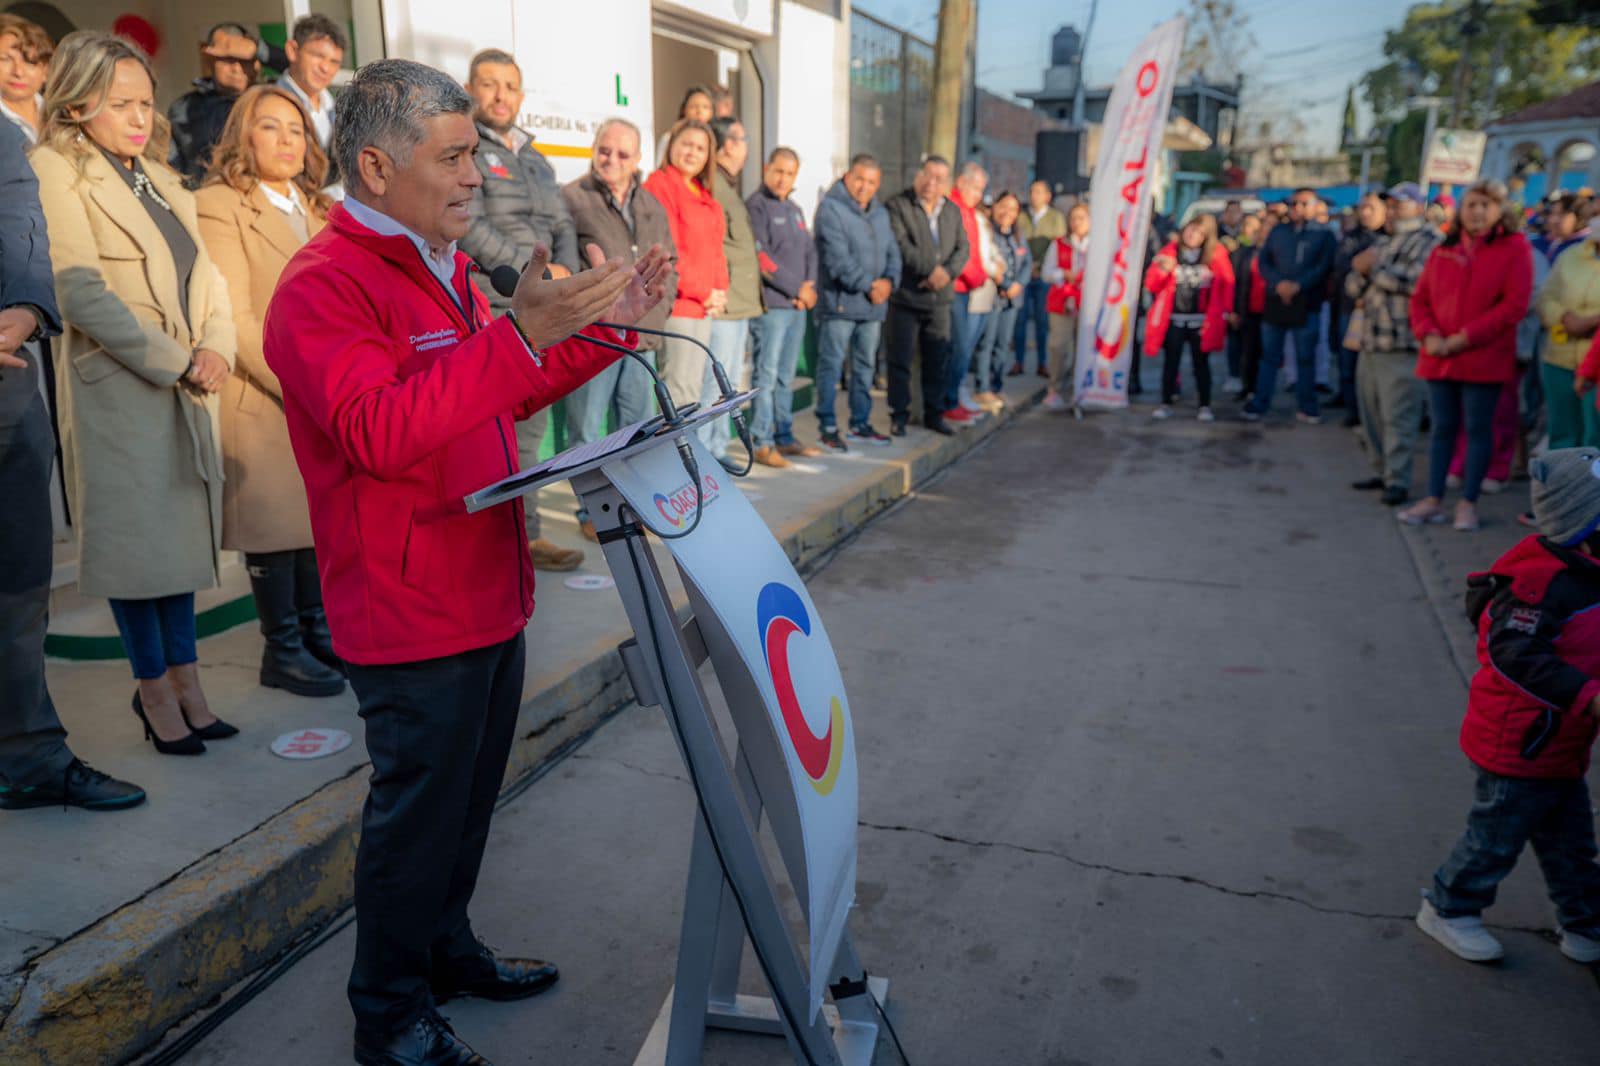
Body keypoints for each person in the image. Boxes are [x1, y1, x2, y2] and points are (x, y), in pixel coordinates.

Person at [261, 59, 671, 1066]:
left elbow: (501, 391)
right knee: (416, 819)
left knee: (465, 803)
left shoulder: (439, 267)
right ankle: (388, 1015)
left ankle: (444, 951)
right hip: (408, 608)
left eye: (472, 157)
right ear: (371, 165)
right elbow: (376, 429)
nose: (470, 179)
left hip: (485, 587)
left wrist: (607, 326)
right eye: (450, 159)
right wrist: (521, 335)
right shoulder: (324, 284)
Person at [32, 32, 240, 755]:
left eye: (145, 102)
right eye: (120, 103)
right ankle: (155, 690)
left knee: (177, 551)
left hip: (184, 382)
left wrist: (217, 346)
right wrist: (175, 359)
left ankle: (188, 683)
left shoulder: (160, 177)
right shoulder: (57, 166)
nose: (139, 117)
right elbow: (75, 287)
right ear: (78, 99)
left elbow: (208, 278)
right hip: (121, 386)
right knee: (135, 554)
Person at [0, 117, 146, 810]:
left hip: (6, 383)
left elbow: (22, 222)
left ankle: (29, 757)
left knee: (20, 586)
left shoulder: (2, 134)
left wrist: (27, 308)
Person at [1415, 446, 1600, 967]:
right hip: (1518, 741)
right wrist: (1589, 696)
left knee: (1570, 844)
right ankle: (1448, 906)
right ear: (1584, 524)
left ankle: (1585, 922)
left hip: (1560, 742)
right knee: (1495, 838)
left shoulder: (1587, 570)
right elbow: (1516, 653)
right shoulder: (1538, 583)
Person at [195, 84, 344, 698]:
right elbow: (236, 312)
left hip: (326, 388)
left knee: (314, 522)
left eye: (295, 129)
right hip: (269, 388)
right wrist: (305, 383)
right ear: (242, 135)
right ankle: (281, 649)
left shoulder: (317, 209)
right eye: (269, 127)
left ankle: (318, 633)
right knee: (274, 529)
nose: (285, 141)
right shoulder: (219, 204)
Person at [459, 48, 583, 572]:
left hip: (543, 309)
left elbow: (563, 226)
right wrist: (537, 275)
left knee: (529, 437)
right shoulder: (463, 150)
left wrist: (569, 279)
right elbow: (468, 224)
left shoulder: (535, 158)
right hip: (493, 308)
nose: (500, 95)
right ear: (471, 90)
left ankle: (526, 540)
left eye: (509, 86)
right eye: (489, 85)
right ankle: (492, 545)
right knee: (488, 437)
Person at [562, 117, 677, 537]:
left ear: (638, 160)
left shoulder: (651, 204)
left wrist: (660, 312)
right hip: (595, 335)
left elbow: (671, 263)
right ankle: (591, 514)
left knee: (636, 428)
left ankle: (633, 505)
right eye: (604, 150)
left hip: (641, 336)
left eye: (622, 154)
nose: (610, 159)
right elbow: (565, 265)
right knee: (587, 430)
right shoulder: (572, 197)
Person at [1400, 180, 1533, 533]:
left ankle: (1468, 502)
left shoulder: (1514, 248)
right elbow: (1421, 298)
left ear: (1500, 211)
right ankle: (1433, 498)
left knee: (1477, 430)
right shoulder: (1444, 248)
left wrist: (1463, 338)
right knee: (1442, 429)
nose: (1476, 212)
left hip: (1482, 357)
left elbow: (1513, 305)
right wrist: (1428, 334)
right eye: (1471, 204)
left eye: (1485, 205)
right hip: (1438, 356)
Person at [1346, 183, 1443, 507]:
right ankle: (1381, 470)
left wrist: (1372, 268)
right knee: (1370, 413)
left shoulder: (1430, 241)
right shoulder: (1384, 240)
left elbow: (1417, 282)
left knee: (1398, 416)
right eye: (1390, 204)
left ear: (1418, 206)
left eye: (1399, 203)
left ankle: (1398, 479)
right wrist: (1363, 272)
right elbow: (1353, 284)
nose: (1392, 209)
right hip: (1371, 341)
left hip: (1402, 345)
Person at [813, 153, 899, 450]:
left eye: (872, 182)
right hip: (840, 305)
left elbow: (892, 253)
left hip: (873, 306)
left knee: (865, 367)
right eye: (860, 179)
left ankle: (860, 423)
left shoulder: (881, 213)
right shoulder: (831, 209)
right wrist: (869, 285)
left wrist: (889, 282)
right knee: (832, 366)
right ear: (848, 176)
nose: (865, 186)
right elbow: (837, 259)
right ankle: (827, 424)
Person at [643, 119, 726, 421]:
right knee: (677, 398)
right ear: (672, 146)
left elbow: (717, 250)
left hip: (702, 309)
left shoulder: (704, 195)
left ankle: (688, 462)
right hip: (677, 307)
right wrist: (704, 291)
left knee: (693, 396)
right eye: (686, 144)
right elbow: (668, 249)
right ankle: (675, 464)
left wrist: (720, 290)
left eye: (700, 148)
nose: (692, 152)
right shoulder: (660, 185)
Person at [746, 146, 819, 465]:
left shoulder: (795, 209)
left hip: (797, 307)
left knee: (785, 376)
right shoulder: (756, 207)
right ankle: (761, 441)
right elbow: (761, 258)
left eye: (789, 174)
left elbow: (810, 252)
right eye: (778, 171)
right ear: (766, 169)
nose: (782, 178)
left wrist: (810, 287)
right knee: (766, 373)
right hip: (773, 306)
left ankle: (784, 436)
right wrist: (796, 288)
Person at [884, 155, 967, 437]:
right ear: (918, 175)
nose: (932, 183)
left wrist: (946, 273)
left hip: (939, 300)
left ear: (947, 183)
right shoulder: (897, 205)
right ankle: (899, 415)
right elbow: (900, 245)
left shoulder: (952, 211)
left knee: (937, 359)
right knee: (900, 360)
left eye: (939, 179)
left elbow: (962, 249)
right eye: (928, 176)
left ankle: (935, 413)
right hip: (906, 297)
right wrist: (932, 270)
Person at [708, 116, 772, 464]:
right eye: (743, 138)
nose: (745, 145)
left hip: (739, 304)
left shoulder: (727, 185)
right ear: (729, 144)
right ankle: (707, 454)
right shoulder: (715, 185)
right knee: (714, 386)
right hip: (725, 304)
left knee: (727, 384)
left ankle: (717, 451)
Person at [1243, 188, 1335, 423]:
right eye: (1294, 204)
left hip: (1306, 303)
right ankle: (1260, 403)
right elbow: (1264, 262)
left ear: (1315, 206)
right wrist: (1279, 284)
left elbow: (1323, 267)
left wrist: (1298, 286)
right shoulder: (1278, 231)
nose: (1298, 208)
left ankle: (1307, 405)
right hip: (1276, 301)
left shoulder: (1324, 234)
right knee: (1269, 357)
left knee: (1305, 357)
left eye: (1304, 204)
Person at [1142, 213, 1234, 422]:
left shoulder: (1216, 255)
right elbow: (1151, 284)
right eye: (1190, 229)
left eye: (1200, 233)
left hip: (1201, 321)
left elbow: (1227, 284)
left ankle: (1204, 405)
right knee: (1170, 363)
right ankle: (1165, 402)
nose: (1193, 235)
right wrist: (1164, 271)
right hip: (1174, 319)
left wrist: (1227, 311)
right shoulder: (1169, 252)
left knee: (1201, 364)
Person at [167, 22, 261, 185]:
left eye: (244, 59)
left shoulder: (268, 102)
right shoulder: (183, 108)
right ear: (209, 59)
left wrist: (260, 49)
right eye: (227, 59)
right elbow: (171, 168)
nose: (237, 68)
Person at [1538, 220, 1600, 449]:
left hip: (1596, 367)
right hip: (1559, 358)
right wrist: (1565, 318)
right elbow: (1545, 298)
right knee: (1561, 436)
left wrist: (1592, 321)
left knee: (1593, 443)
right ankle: (1560, 485)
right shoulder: (1571, 256)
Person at [1328, 191, 1387, 421]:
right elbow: (1342, 267)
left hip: (1381, 314)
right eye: (1363, 208)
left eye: (1371, 208)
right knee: (1348, 363)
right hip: (1349, 309)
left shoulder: (1389, 239)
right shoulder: (1350, 237)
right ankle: (1354, 411)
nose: (1365, 213)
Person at [971, 191, 1028, 412]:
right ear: (994, 207)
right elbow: (987, 260)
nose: (1007, 213)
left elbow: (1026, 262)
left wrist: (1017, 285)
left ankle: (997, 386)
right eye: (1003, 206)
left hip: (1012, 300)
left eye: (1013, 209)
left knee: (1003, 345)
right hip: (992, 296)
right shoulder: (987, 232)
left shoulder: (1017, 235)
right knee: (987, 343)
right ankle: (982, 387)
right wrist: (1005, 284)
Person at [944, 162, 991, 426]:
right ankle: (948, 400)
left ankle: (953, 399)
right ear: (962, 182)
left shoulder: (970, 211)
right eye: (975, 188)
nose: (978, 195)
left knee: (963, 348)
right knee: (958, 347)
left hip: (967, 287)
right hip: (957, 286)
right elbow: (961, 252)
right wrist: (978, 276)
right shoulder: (955, 208)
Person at [277, 15, 345, 190]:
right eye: (317, 55)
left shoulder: (340, 108)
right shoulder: (267, 105)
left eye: (334, 62)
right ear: (292, 50)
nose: (325, 68)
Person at [1040, 202, 1089, 412]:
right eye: (1074, 218)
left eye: (1082, 218)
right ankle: (1055, 387)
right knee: (1058, 346)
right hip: (1062, 301)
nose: (1077, 222)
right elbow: (1047, 272)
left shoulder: (1096, 246)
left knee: (1083, 347)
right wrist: (1063, 274)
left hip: (1086, 302)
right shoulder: (1059, 244)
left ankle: (1079, 389)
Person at [1012, 179, 1065, 375]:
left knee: (1042, 322)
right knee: (1021, 320)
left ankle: (1043, 362)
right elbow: (1018, 243)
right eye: (1032, 191)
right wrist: (1027, 267)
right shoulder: (1022, 217)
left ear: (1047, 196)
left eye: (1039, 192)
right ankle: (1019, 361)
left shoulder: (1055, 218)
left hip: (1044, 276)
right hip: (1023, 275)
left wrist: (1040, 267)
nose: (1034, 196)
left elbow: (1056, 245)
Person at [1224, 211, 1263, 396]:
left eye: (1255, 226)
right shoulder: (1238, 252)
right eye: (1246, 225)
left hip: (1263, 310)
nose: (1250, 230)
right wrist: (1232, 309)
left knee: (1255, 352)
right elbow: (1232, 282)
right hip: (1242, 308)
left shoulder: (1267, 252)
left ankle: (1255, 387)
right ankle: (1239, 379)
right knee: (1238, 346)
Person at [0, 13, 51, 144]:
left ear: (46, 70)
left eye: (30, 62)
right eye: (5, 59)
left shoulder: (64, 117)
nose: (18, 72)